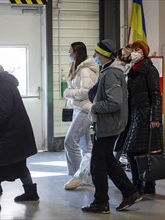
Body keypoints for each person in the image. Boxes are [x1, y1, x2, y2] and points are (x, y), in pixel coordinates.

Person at [82, 39, 142, 214]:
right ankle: (130, 192)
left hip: (109, 124)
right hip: (110, 123)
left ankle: (101, 202)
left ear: (104, 55)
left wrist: (94, 107)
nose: (94, 56)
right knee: (107, 160)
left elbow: (115, 102)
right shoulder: (109, 71)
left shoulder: (110, 74)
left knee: (97, 164)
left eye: (96, 53)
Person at [0, 63, 39, 205]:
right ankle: (30, 193)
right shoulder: (1, 85)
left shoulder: (1, 87)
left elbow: (2, 113)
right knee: (19, 165)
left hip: (10, 135)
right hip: (16, 133)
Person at [124, 40, 162, 195]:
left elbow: (156, 95)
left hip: (146, 116)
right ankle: (144, 185)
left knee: (138, 151)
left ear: (144, 51)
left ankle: (141, 184)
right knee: (139, 151)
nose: (134, 51)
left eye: (138, 49)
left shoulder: (149, 69)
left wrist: (155, 118)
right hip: (135, 115)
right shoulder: (133, 69)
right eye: (133, 49)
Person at [63, 42, 99, 190]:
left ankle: (77, 176)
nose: (68, 53)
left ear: (77, 52)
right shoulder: (77, 68)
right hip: (78, 108)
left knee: (70, 142)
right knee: (87, 147)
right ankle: (88, 176)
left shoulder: (85, 70)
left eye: (70, 50)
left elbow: (87, 91)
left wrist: (68, 93)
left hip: (85, 109)